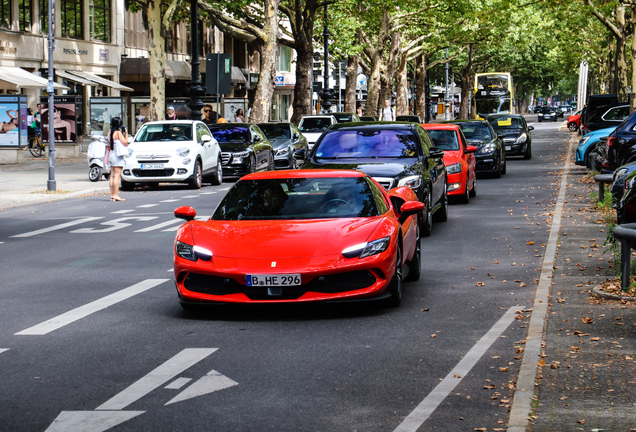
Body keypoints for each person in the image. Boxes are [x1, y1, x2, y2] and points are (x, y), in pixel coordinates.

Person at [108, 117, 129, 202]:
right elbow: (125, 142)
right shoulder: (118, 133)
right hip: (118, 155)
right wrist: (126, 134)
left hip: (111, 154)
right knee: (117, 176)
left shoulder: (110, 132)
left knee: (112, 175)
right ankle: (116, 194)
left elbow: (108, 143)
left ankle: (112, 194)